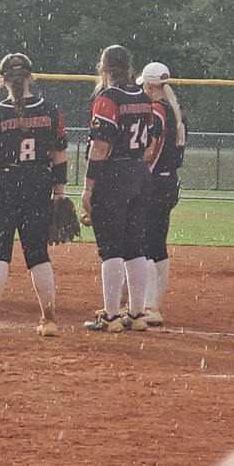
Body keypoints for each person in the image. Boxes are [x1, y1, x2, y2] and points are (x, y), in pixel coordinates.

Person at [0, 54, 68, 336]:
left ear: (3, 81)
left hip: (2, 184)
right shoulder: (51, 111)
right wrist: (59, 192)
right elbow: (59, 155)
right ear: (31, 78)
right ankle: (49, 320)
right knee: (38, 254)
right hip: (38, 183)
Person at [80, 45, 160, 333]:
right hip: (140, 172)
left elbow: (100, 146)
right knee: (135, 246)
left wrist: (88, 187)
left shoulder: (108, 98)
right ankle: (137, 314)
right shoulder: (143, 97)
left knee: (111, 248)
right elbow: (149, 143)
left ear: (104, 69)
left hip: (114, 174)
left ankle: (111, 316)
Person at [136, 61, 186, 328]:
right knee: (157, 244)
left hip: (154, 182)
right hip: (169, 181)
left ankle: (147, 305)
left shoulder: (155, 110)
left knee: (143, 244)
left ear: (147, 85)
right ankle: (153, 304)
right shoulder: (176, 111)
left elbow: (150, 151)